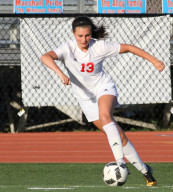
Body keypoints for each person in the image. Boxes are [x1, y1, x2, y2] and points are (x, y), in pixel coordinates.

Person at [41, 16, 165, 186]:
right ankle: (145, 170)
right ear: (73, 34)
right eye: (80, 36)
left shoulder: (99, 46)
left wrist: (154, 60)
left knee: (105, 116)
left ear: (91, 34)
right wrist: (59, 72)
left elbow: (128, 47)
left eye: (87, 35)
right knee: (118, 136)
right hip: (85, 98)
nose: (83, 39)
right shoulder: (67, 48)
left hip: (103, 88)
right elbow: (45, 56)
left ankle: (119, 164)